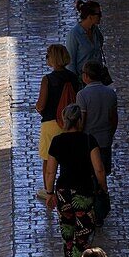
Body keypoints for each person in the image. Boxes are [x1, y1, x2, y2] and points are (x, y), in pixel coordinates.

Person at [44, 103, 107, 257]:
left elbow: (50, 171)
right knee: (83, 232)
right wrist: (103, 188)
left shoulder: (57, 141)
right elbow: (99, 169)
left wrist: (49, 193)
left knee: (68, 232)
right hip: (83, 191)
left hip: (63, 192)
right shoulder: (89, 140)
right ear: (80, 120)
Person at [34, 44, 80, 198]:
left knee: (48, 159)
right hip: (70, 123)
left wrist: (39, 109)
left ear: (53, 58)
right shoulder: (74, 78)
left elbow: (41, 104)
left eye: (48, 55)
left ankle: (49, 191)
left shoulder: (47, 79)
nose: (46, 58)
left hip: (51, 123)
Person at [77, 59, 118, 177]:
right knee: (103, 172)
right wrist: (111, 133)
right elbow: (114, 118)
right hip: (105, 138)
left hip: (88, 140)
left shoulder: (82, 95)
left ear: (86, 76)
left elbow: (82, 120)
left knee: (89, 172)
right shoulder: (110, 93)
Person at [66, 0, 105, 77]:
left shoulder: (96, 30)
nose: (101, 16)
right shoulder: (74, 34)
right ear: (90, 17)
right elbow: (71, 62)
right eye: (99, 14)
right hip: (83, 79)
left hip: (98, 77)